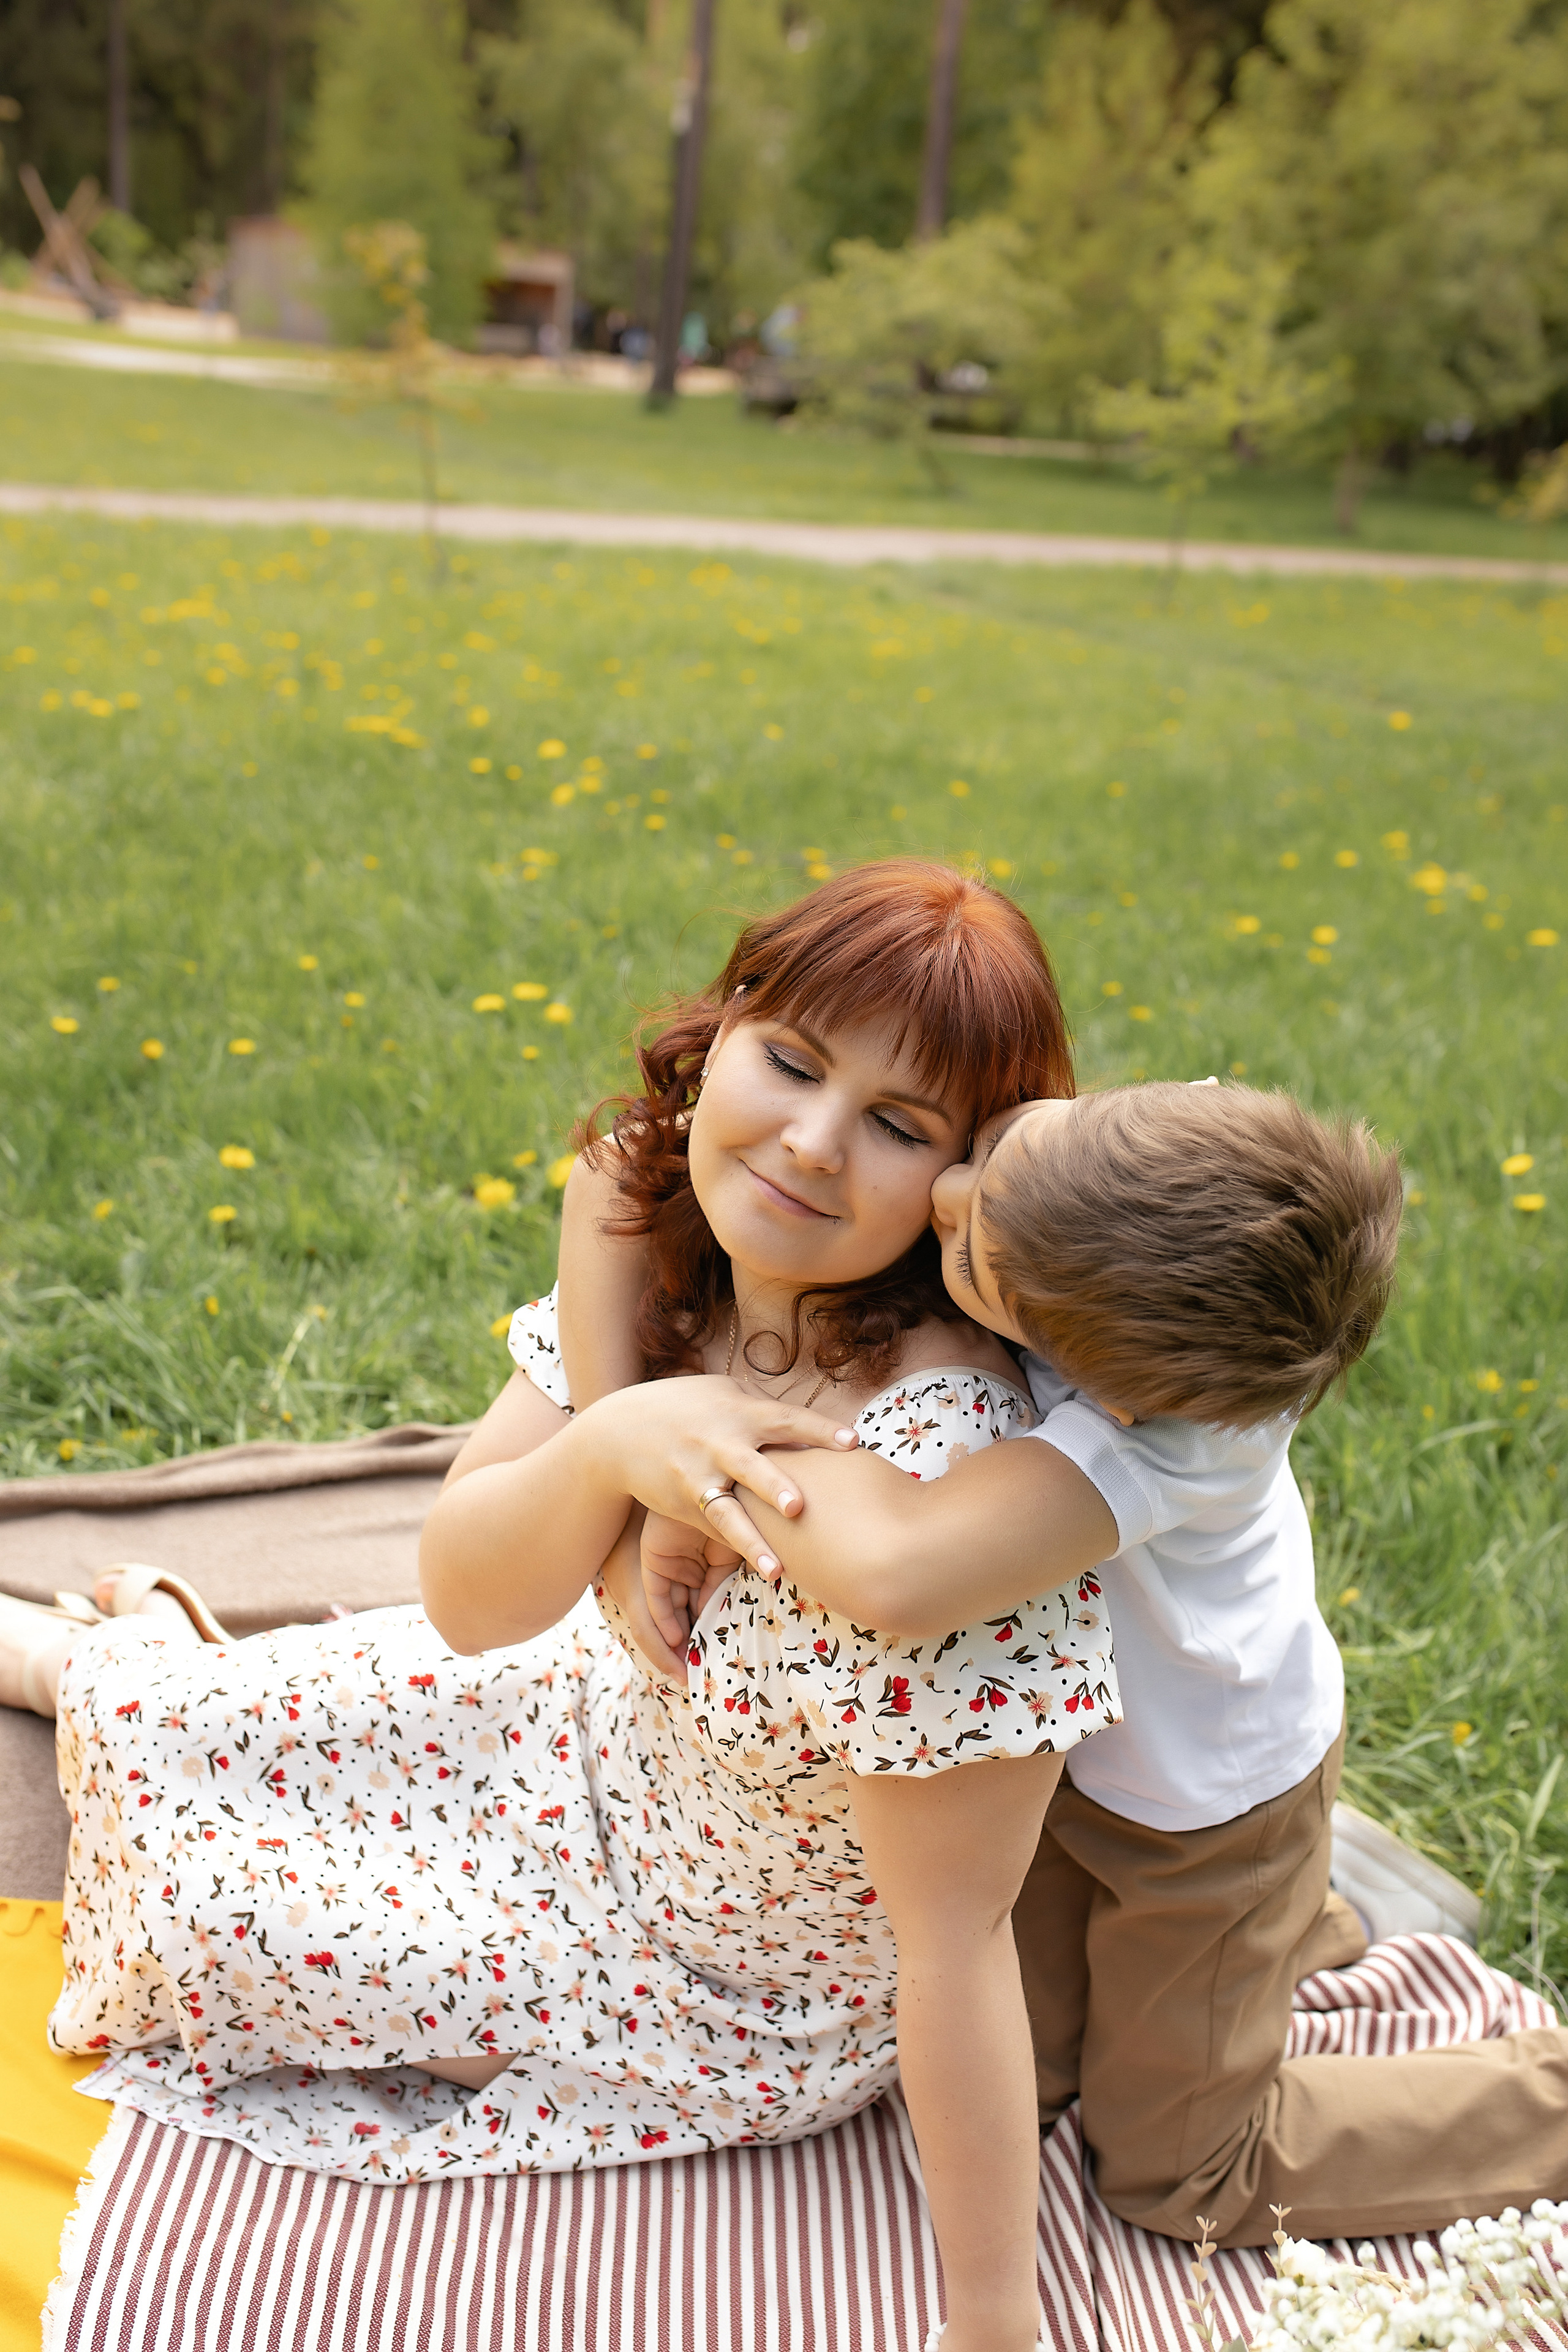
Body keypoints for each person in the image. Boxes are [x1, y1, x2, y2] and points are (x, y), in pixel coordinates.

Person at [0, 862, 1114, 2352]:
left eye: (898, 1126)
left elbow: (956, 1941)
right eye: (791, 1062)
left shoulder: (929, 1483)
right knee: (215, 1726)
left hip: (718, 1989)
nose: (810, 1142)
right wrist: (611, 1445)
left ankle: (113, 1670)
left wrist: (993, 2325)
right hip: (569, 1735)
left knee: (216, 1924)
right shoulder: (682, 1262)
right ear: (723, 1032)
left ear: (968, 1186)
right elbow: (470, 1600)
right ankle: (98, 1667)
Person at [580, 1071, 1568, 2249]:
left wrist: (689, 1448)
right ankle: (1294, 1932)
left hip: (1201, 1817)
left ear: (1109, 1399)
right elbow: (625, 1164)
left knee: (1174, 2169)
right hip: (1066, 1768)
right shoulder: (1140, 1183)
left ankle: (1521, 2092)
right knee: (1009, 2068)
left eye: (965, 1250)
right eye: (993, 1153)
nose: (943, 1195)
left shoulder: (1166, 1440)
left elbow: (899, 1570)